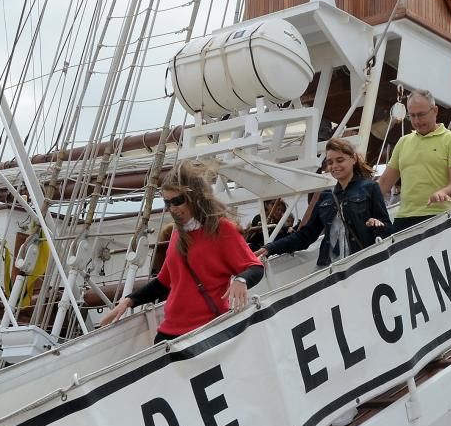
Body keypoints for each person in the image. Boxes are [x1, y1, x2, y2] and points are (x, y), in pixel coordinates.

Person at [100, 161, 264, 343]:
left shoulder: (221, 230)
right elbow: (164, 281)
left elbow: (255, 267)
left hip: (206, 332)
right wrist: (129, 301)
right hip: (169, 334)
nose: (172, 208)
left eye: (177, 201)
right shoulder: (178, 233)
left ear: (195, 197)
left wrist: (241, 280)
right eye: (167, 203)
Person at [257, 138, 392, 266]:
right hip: (330, 268)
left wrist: (377, 225)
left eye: (340, 160)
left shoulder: (369, 188)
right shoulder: (326, 197)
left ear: (353, 159)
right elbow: (306, 235)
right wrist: (271, 248)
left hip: (361, 263)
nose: (334, 166)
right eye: (330, 162)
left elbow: (387, 228)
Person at [378, 90, 451, 231]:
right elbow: (384, 183)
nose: (417, 121)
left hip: (438, 216)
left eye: (421, 115)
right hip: (403, 219)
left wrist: (444, 192)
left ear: (435, 110)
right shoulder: (402, 142)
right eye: (411, 116)